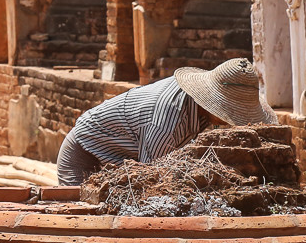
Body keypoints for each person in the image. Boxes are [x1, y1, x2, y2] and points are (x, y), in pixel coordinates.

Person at [56, 57, 277, 186]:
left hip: (123, 157)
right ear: (213, 104)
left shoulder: (198, 111)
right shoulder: (166, 122)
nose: (232, 122)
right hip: (85, 152)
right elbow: (149, 180)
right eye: (231, 113)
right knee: (86, 219)